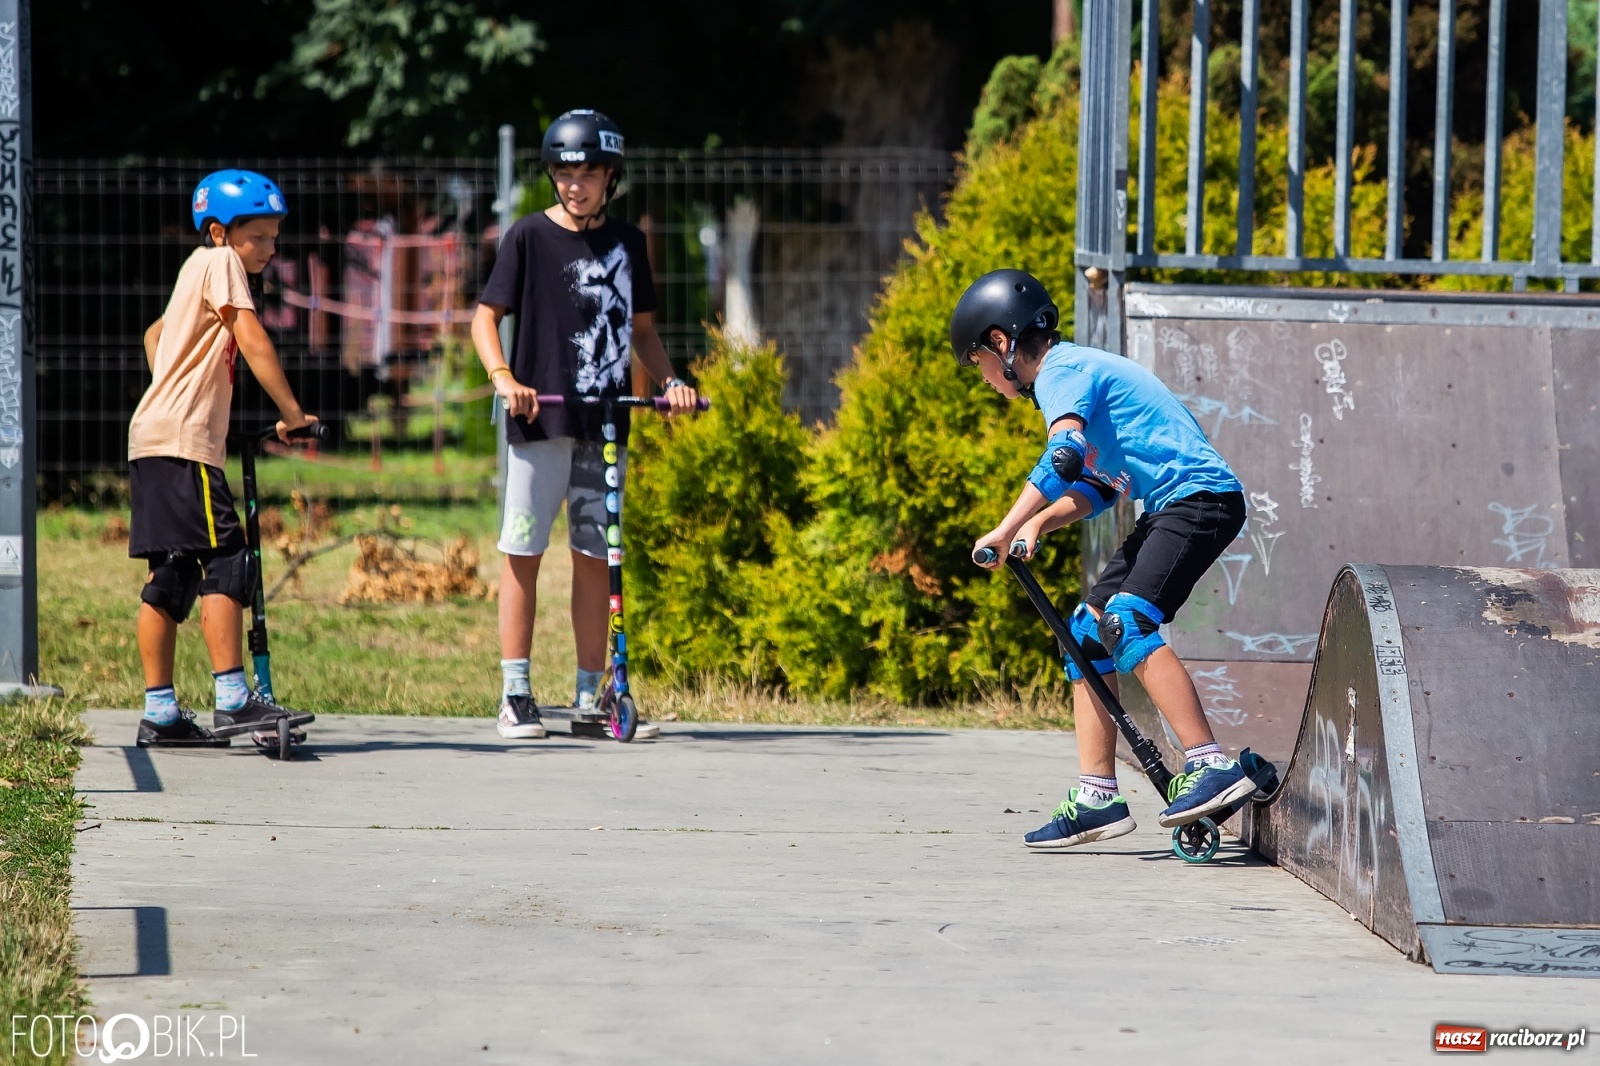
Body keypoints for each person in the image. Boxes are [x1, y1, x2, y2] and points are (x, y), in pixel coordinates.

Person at [956, 269, 1254, 848]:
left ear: (1000, 343)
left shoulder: (1060, 373)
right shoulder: (1083, 372)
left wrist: (1004, 526)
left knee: (1127, 621)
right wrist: (1041, 520)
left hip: (1200, 500)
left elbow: (1063, 452)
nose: (986, 380)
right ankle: (1098, 798)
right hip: (1170, 505)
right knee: (1087, 630)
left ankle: (1210, 763)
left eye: (979, 365)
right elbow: (1098, 484)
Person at [470, 110, 698, 740]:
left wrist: (673, 383)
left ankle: (589, 698)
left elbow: (643, 334)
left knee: (597, 557)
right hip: (538, 421)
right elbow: (485, 318)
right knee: (523, 552)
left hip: (604, 425)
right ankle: (515, 693)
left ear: (609, 178)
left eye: (588, 173)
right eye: (565, 173)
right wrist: (502, 377)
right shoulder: (526, 237)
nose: (575, 184)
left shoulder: (628, 245)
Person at [129, 169, 318, 747]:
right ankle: (234, 701)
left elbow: (154, 335)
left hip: (153, 438)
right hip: (184, 445)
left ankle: (160, 714)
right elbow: (253, 337)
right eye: (257, 236)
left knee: (171, 577)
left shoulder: (195, 270)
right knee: (230, 562)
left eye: (275, 236)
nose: (270, 248)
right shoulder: (220, 264)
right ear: (219, 232)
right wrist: (291, 413)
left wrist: (174, 387)